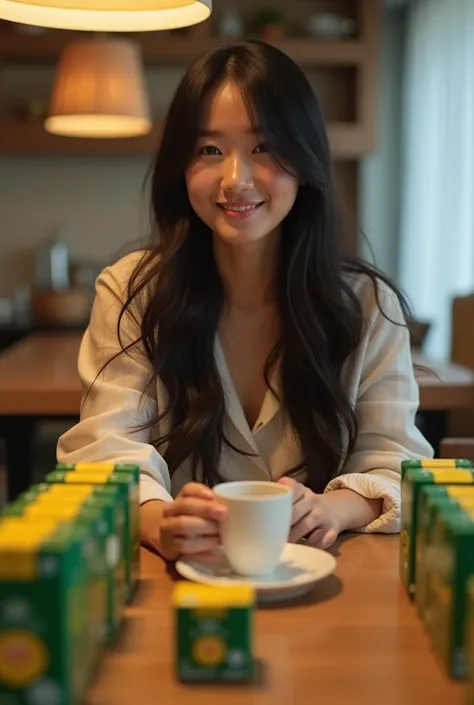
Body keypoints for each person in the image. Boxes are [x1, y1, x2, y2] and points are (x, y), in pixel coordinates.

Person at [57, 40, 432, 562]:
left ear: (305, 161)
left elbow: (395, 458)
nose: (237, 179)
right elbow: (105, 452)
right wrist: (159, 521)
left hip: (329, 585)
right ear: (181, 167)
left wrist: (334, 508)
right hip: (181, 585)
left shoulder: (368, 304)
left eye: (264, 147)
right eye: (210, 150)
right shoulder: (131, 291)